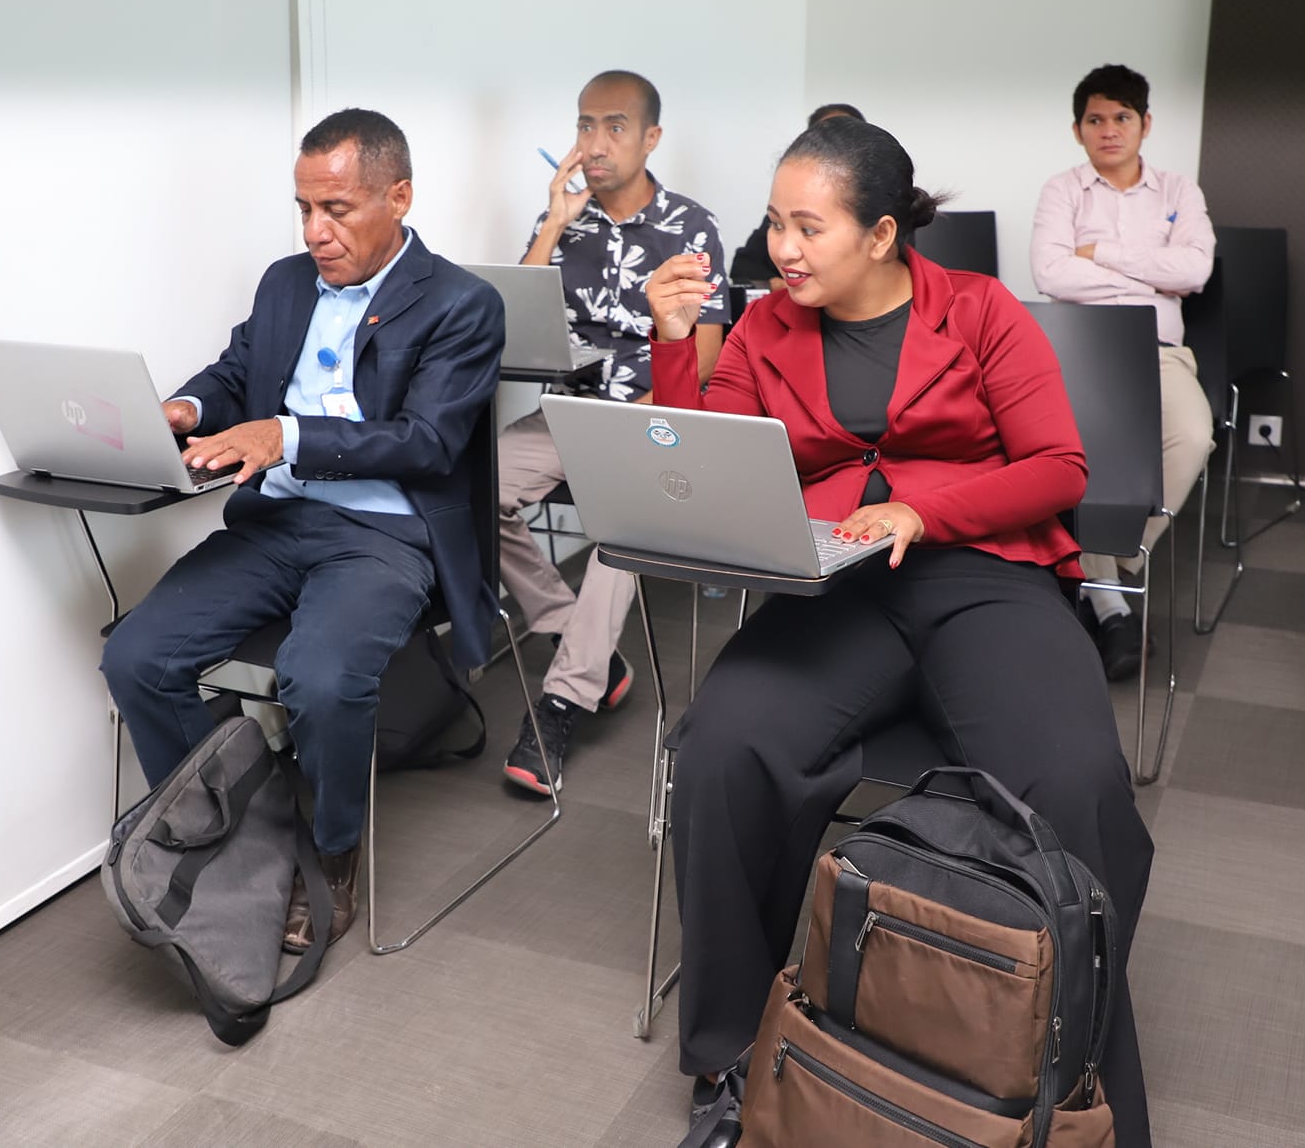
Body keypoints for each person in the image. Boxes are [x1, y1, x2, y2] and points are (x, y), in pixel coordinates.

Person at [646, 118, 1156, 1147]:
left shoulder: (977, 308)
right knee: (720, 748)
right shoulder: (762, 329)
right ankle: (730, 1054)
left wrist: (927, 511)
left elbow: (1057, 467)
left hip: (982, 573)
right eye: (774, 224)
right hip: (836, 586)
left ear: (880, 233)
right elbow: (700, 474)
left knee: (1077, 781)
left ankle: (1070, 1075)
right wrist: (670, 343)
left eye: (808, 226)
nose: (782, 248)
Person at [99, 109, 504, 953]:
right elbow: (239, 369)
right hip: (277, 521)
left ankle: (332, 851)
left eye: (338, 209)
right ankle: (236, 830)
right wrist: (189, 406)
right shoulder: (285, 283)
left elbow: (428, 442)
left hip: (383, 535)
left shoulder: (462, 305)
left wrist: (284, 435)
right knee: (136, 656)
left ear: (399, 197)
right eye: (305, 209)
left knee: (317, 678)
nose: (316, 231)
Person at [496, 70, 727, 795]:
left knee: (621, 522)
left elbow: (707, 354)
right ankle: (573, 629)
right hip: (567, 415)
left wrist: (634, 421)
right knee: (470, 484)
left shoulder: (691, 227)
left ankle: (563, 701)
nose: (594, 143)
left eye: (615, 126)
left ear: (651, 137)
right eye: (584, 125)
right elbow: (512, 330)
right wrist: (554, 223)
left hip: (651, 420)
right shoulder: (566, 221)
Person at [1030, 63, 1216, 681]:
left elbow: (1194, 272)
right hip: (1080, 349)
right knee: (1077, 453)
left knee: (1193, 435)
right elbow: (1050, 274)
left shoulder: (1179, 192)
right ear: (1078, 129)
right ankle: (1111, 603)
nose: (1108, 130)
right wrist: (1149, 278)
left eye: (1121, 118)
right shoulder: (1062, 190)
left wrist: (1100, 255)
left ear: (1145, 124)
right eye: (1095, 119)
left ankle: (1106, 564)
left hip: (1158, 349)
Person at [729, 103, 866, 290]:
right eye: (778, 225)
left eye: (810, 230)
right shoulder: (789, 209)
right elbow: (744, 266)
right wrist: (783, 285)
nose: (786, 252)